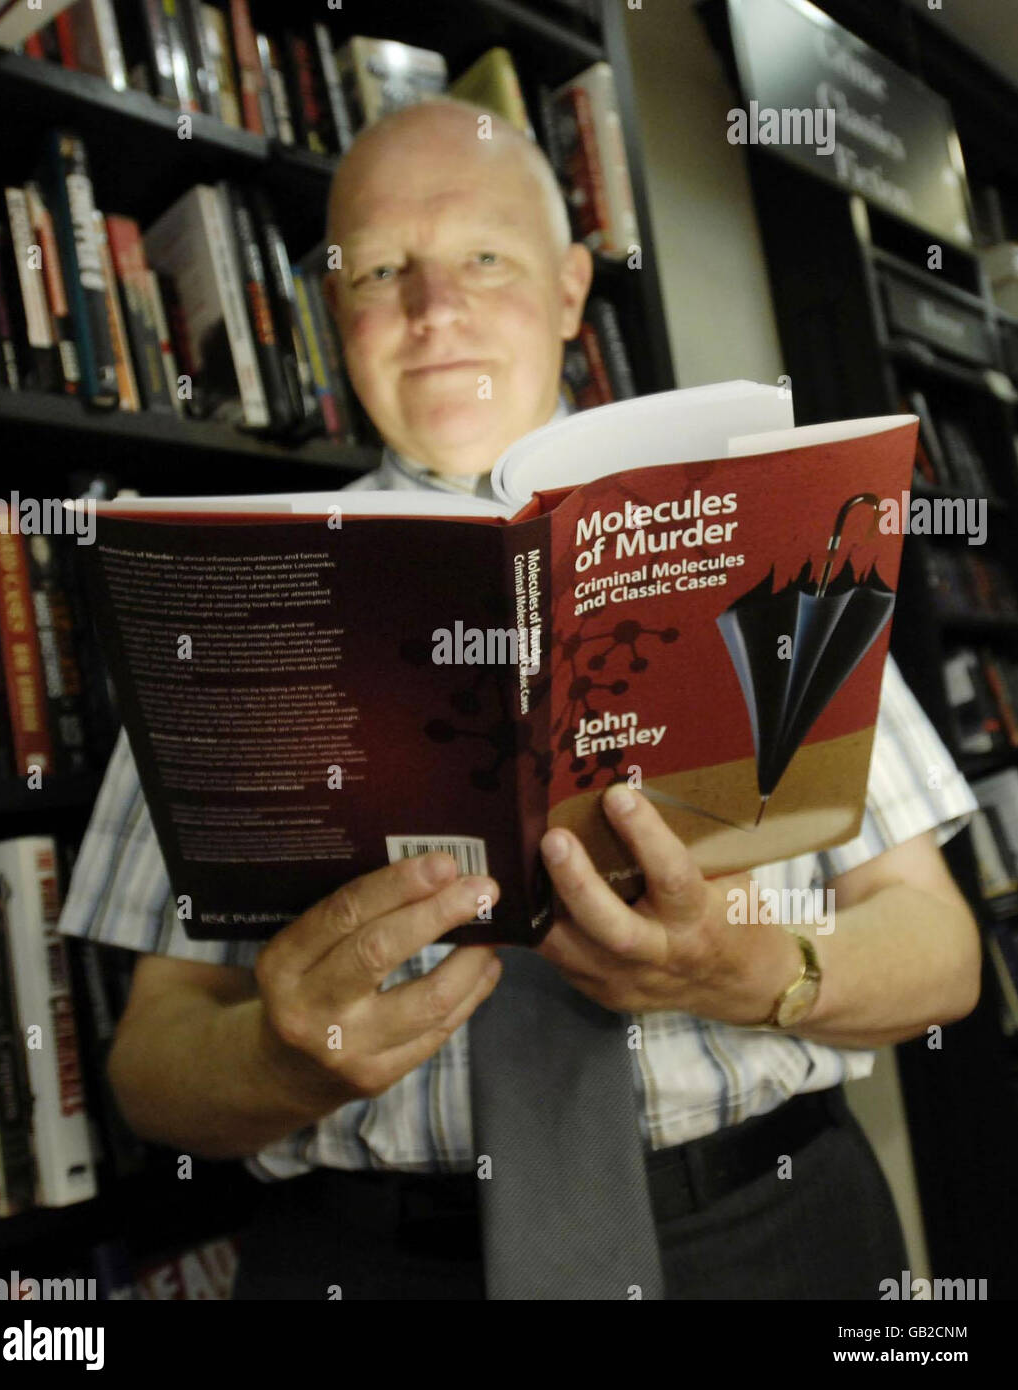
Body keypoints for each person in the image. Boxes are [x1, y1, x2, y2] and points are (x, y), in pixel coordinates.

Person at [58, 98, 981, 1300]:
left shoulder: (770, 527)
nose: (432, 309)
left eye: (482, 258)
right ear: (337, 307)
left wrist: (750, 971)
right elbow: (151, 1062)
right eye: (381, 267)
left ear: (568, 288)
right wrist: (289, 1059)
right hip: (373, 1265)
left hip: (775, 1234)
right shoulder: (234, 587)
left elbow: (941, 949)